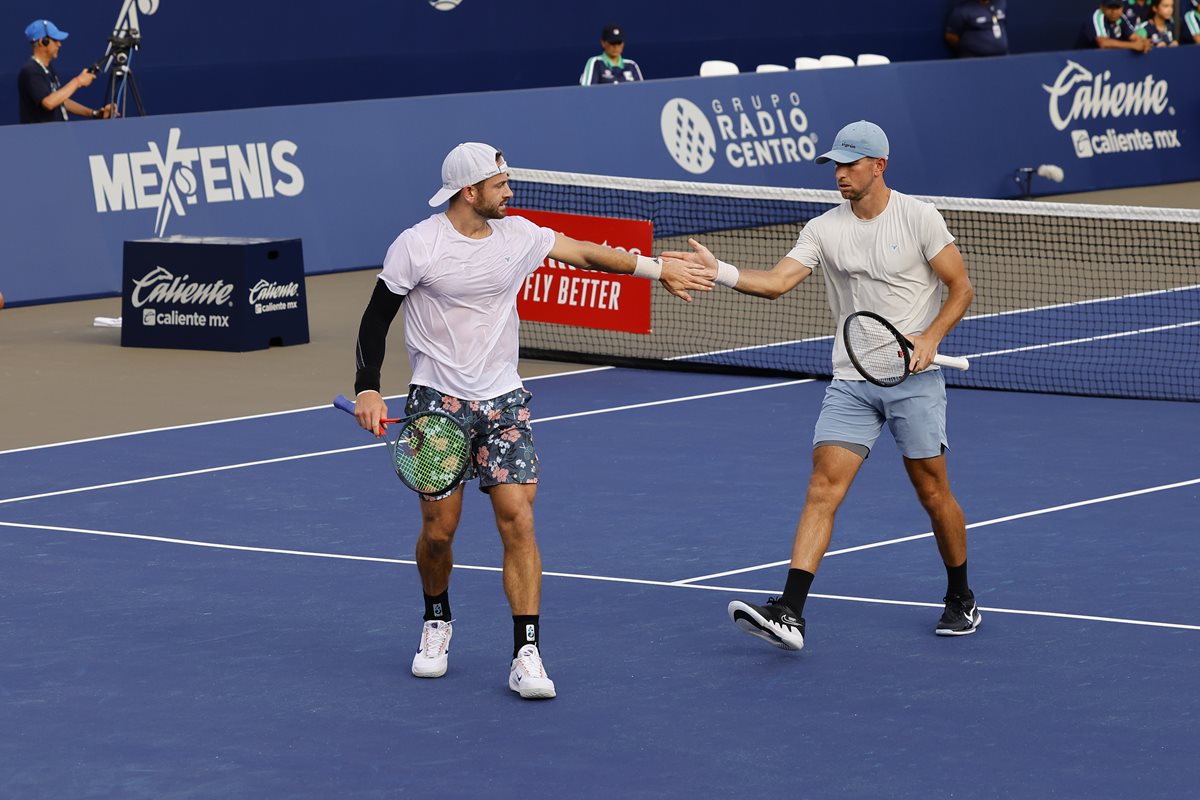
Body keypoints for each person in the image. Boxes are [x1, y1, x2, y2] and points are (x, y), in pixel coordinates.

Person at [350, 142, 709, 698]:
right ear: (469, 191)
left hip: (504, 402)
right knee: (439, 532)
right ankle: (437, 620)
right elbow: (376, 318)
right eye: (500, 184)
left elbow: (586, 254)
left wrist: (657, 268)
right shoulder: (418, 245)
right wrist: (368, 388)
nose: (510, 191)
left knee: (518, 519)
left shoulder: (518, 234)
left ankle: (526, 653)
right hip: (438, 403)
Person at [661, 120, 978, 652]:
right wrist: (721, 272)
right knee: (822, 487)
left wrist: (930, 336)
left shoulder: (919, 217)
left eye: (851, 164)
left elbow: (961, 286)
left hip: (913, 379)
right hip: (852, 379)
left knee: (932, 492)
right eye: (836, 164)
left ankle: (960, 596)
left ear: (879, 166)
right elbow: (777, 282)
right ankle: (790, 611)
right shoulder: (823, 228)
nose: (840, 173)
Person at [17, 19, 116, 123]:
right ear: (43, 42)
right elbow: (49, 103)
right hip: (42, 133)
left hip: (56, 132)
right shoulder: (30, 71)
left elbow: (61, 101)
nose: (59, 44)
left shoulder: (47, 68)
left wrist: (94, 114)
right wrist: (78, 81)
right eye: (55, 40)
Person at [579, 24, 644, 85]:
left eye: (618, 43)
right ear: (603, 43)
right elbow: (586, 90)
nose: (616, 47)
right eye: (612, 43)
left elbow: (641, 89)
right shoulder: (595, 62)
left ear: (623, 44)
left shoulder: (631, 65)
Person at [1078, 1, 1153, 51]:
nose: (1114, 12)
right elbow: (1103, 43)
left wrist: (1143, 42)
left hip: (1109, 57)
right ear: (1102, 8)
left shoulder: (1121, 17)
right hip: (1085, 58)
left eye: (1117, 7)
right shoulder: (1097, 16)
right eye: (1110, 7)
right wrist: (1133, 45)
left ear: (1122, 8)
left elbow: (1134, 36)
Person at [944, 0, 1010, 58]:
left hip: (1002, 57)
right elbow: (951, 36)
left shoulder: (1000, 3)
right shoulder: (962, 10)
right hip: (974, 60)